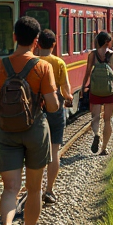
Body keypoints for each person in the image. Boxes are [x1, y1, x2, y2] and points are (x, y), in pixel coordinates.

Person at [0, 17, 58, 225]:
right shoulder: (43, 67)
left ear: (14, 37)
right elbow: (54, 106)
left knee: (10, 189)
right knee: (34, 189)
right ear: (36, 42)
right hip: (36, 130)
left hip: (7, 133)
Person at [35, 29, 72, 205]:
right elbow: (65, 88)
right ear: (54, 44)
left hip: (36, 106)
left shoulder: (33, 61)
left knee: (35, 150)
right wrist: (69, 98)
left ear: (38, 44)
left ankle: (34, 189)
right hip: (55, 105)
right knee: (54, 149)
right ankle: (49, 190)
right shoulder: (58, 62)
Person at [81, 31, 113, 155]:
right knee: (107, 120)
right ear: (107, 42)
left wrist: (82, 88)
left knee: (95, 118)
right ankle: (104, 148)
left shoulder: (92, 55)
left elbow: (87, 73)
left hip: (95, 91)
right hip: (110, 92)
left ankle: (96, 134)